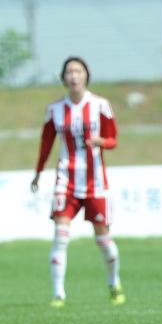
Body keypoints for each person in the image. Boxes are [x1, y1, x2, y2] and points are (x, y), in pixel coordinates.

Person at [30, 57, 125, 308]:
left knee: (103, 240)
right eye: (69, 72)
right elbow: (46, 143)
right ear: (63, 78)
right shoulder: (55, 110)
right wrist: (38, 173)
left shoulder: (101, 106)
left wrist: (102, 142)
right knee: (60, 236)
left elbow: (113, 139)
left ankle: (114, 282)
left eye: (78, 71)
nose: (74, 76)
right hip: (66, 180)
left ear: (86, 76)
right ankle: (58, 293)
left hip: (95, 182)